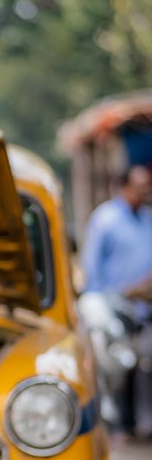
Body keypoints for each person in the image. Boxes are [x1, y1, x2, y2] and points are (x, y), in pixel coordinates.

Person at [81, 165, 152, 437]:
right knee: (116, 369)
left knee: (139, 367)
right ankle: (118, 428)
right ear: (124, 187)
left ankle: (135, 425)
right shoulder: (106, 219)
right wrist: (124, 292)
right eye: (139, 186)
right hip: (112, 309)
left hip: (143, 311)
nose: (145, 191)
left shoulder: (147, 219)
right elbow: (92, 271)